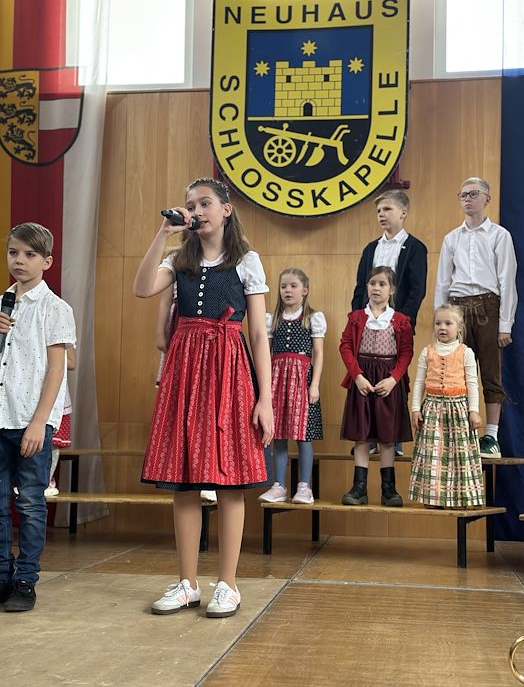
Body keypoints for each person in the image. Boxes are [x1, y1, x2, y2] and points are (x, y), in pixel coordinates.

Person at [133, 178, 273, 619]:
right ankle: (188, 583)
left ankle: (228, 584)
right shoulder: (179, 259)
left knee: (230, 481)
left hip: (230, 370)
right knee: (185, 481)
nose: (196, 211)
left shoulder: (246, 261)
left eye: (205, 203)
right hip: (185, 370)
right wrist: (164, 233)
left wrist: (265, 399)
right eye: (191, 205)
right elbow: (141, 288)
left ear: (226, 209)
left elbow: (258, 335)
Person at [0, 223, 76, 611]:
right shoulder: (1, 304)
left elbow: (57, 370)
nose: (20, 261)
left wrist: (39, 422)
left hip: (31, 420)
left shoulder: (55, 308)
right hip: (0, 417)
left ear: (46, 261)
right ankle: (2, 576)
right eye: (14, 252)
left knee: (30, 503)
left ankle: (25, 580)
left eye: (30, 255)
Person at [434, 177, 518, 457]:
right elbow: (443, 282)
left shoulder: (499, 235)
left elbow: (507, 281)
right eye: (463, 195)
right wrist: (441, 320)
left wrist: (505, 324)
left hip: (488, 305)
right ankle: (460, 432)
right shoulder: (452, 238)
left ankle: (491, 436)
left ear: (487, 199)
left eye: (473, 194)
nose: (467, 199)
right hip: (457, 307)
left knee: (491, 373)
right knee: (456, 372)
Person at [352, 189, 427, 456]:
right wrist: (357, 318)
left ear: (403, 213)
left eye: (387, 209)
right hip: (368, 323)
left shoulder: (415, 248)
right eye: (379, 211)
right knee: (368, 376)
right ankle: (369, 436)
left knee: (395, 379)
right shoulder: (371, 248)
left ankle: (393, 440)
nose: (381, 215)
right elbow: (360, 287)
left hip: (397, 324)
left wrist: (400, 322)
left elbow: (417, 290)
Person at [340, 266, 413, 507]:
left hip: (387, 382)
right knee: (361, 436)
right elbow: (346, 347)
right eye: (373, 283)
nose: (376, 288)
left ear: (391, 290)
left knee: (387, 437)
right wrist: (357, 376)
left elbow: (406, 352)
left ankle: (389, 489)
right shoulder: (356, 318)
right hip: (363, 380)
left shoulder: (400, 321)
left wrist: (393, 379)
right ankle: (359, 488)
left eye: (382, 284)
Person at [258, 268, 326, 505]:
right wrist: (264, 388)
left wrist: (314, 385)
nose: (288, 290)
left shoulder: (313, 318)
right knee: (277, 433)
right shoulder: (272, 319)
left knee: (303, 434)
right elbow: (265, 353)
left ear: (305, 290)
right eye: (284, 286)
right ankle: (279, 485)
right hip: (277, 380)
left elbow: (318, 353)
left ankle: (304, 486)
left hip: (302, 379)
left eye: (293, 286)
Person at [409, 304, 484, 508]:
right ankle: (432, 497)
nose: (442, 327)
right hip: (433, 409)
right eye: (438, 323)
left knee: (459, 455)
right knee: (433, 456)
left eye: (448, 323)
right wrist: (415, 409)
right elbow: (419, 382)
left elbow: (472, 383)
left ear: (459, 327)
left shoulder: (466, 352)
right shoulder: (427, 352)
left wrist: (474, 411)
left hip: (458, 409)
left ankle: (461, 498)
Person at [154, 285, 216, 504]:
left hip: (207, 338)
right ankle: (183, 470)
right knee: (181, 409)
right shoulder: (177, 270)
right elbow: (165, 300)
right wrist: (160, 332)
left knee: (206, 411)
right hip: (181, 332)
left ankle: (207, 477)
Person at [45, 346, 76, 497]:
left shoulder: (63, 335)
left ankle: (47, 479)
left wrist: (52, 357)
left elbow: (72, 362)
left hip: (57, 395)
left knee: (54, 442)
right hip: (28, 393)